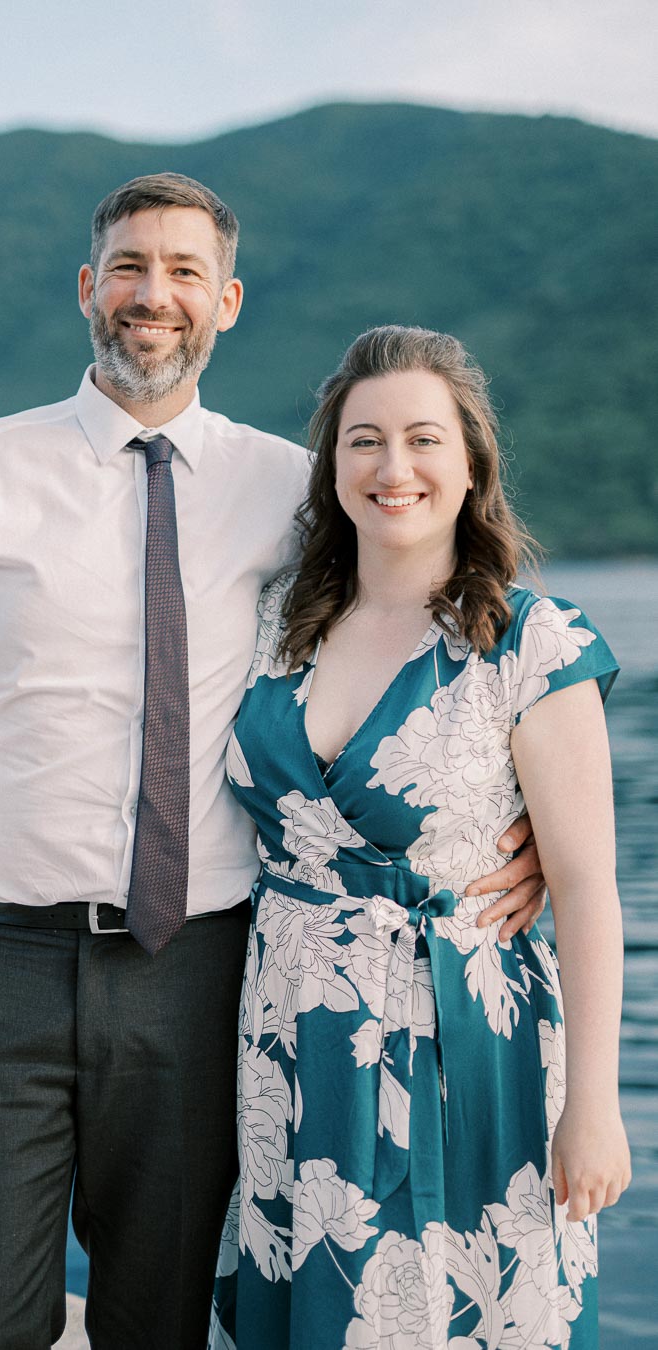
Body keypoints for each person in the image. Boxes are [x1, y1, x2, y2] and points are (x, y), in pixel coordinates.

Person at [0, 179, 545, 1350]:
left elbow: (423, 601)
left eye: (180, 272)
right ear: (87, 289)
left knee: (162, 1324)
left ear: (227, 301)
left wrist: (523, 833)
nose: (151, 295)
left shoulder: (291, 489)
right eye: (127, 267)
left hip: (205, 973)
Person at [210, 325, 631, 1350]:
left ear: (471, 463)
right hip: (293, 1044)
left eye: (423, 439)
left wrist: (597, 1105)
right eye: (364, 441)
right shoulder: (271, 626)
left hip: (467, 1038)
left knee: (451, 1303)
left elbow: (583, 886)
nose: (394, 468)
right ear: (332, 466)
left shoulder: (529, 641)